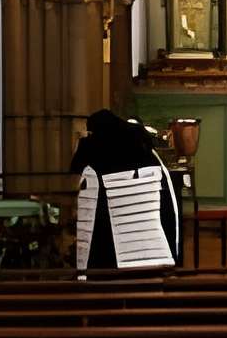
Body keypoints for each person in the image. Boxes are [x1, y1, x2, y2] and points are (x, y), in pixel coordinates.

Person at [66, 109, 181, 273]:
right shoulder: (145, 147)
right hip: (153, 252)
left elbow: (75, 186)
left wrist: (82, 272)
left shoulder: (90, 148)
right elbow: (171, 210)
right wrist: (175, 255)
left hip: (111, 253)